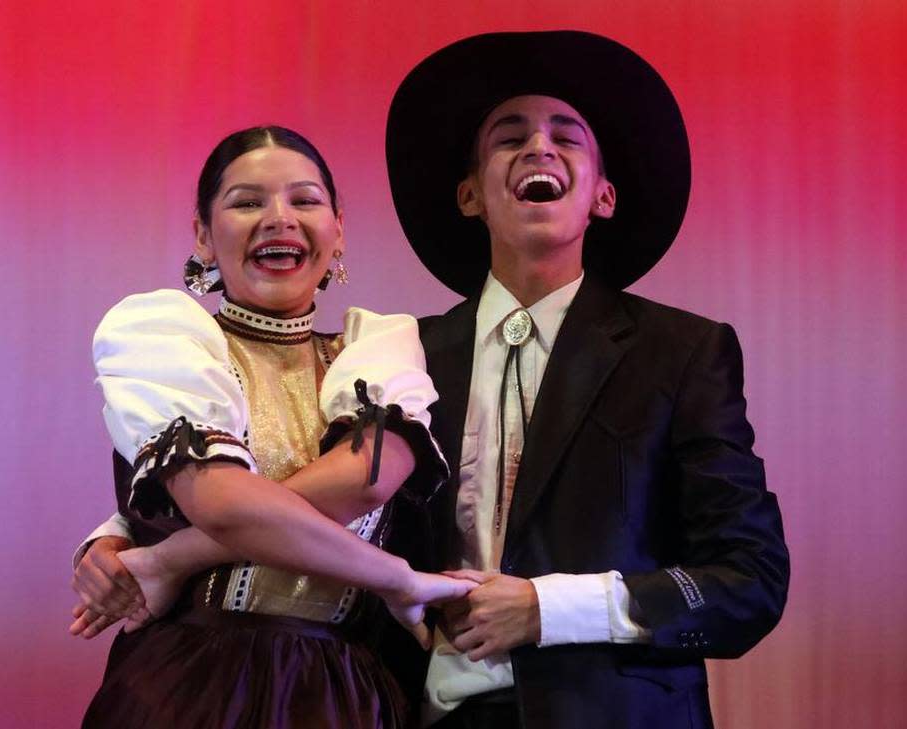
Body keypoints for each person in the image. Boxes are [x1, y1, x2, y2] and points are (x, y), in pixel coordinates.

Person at [381, 31, 791, 728]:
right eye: (509, 138)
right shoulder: (403, 352)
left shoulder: (682, 351)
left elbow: (747, 580)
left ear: (602, 196)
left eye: (565, 137)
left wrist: (549, 609)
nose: (538, 148)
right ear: (471, 194)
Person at [72, 125, 473, 728]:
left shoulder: (379, 348)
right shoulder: (162, 339)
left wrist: (172, 558)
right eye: (247, 202)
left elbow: (365, 481)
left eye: (304, 200)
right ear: (204, 236)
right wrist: (398, 580)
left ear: (338, 232)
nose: (279, 218)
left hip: (345, 692)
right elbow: (223, 502)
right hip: (190, 682)